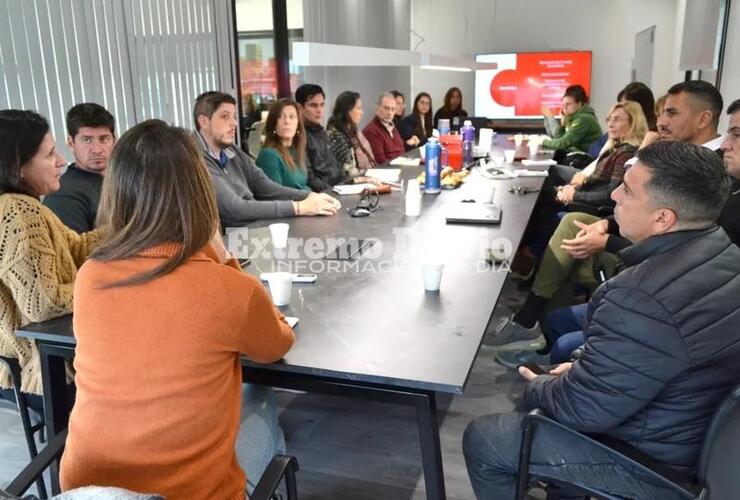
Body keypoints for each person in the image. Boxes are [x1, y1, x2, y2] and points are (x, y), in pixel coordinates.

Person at [464, 141, 740, 500]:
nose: (614, 196)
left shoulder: (641, 296)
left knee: (487, 439)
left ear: (663, 218)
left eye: (627, 190)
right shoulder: (726, 253)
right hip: (690, 430)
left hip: (653, 460)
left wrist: (540, 383)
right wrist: (581, 372)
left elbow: (584, 409)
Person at [59, 120, 296, 500]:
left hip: (88, 491)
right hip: (193, 493)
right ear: (199, 191)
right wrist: (224, 259)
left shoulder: (91, 277)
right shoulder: (230, 289)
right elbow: (276, 345)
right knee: (260, 395)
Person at [492, 81, 726, 361]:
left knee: (569, 229)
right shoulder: (673, 154)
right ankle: (538, 327)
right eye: (661, 113)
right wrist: (604, 224)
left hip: (653, 271)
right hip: (642, 251)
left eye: (671, 113)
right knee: (573, 230)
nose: (661, 122)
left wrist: (606, 237)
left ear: (704, 119)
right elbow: (632, 199)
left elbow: (659, 226)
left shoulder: (706, 172)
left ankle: (534, 319)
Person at [0, 110, 101, 411]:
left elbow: (78, 248)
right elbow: (43, 303)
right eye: (49, 155)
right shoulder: (19, 212)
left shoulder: (28, 206)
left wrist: (131, 228)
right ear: (18, 167)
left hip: (36, 359)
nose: (61, 161)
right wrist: (103, 284)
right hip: (39, 368)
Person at [193, 91, 340, 227]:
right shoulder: (195, 159)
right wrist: (299, 207)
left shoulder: (232, 150)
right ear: (204, 122)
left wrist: (310, 196)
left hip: (253, 229)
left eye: (234, 117)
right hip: (231, 241)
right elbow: (235, 208)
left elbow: (264, 186)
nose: (234, 124)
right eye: (225, 116)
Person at [555, 101, 647, 213]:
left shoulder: (626, 153)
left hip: (593, 209)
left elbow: (611, 195)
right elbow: (596, 184)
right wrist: (571, 189)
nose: (610, 124)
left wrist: (575, 195)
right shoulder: (616, 147)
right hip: (586, 199)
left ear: (633, 123)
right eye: (609, 119)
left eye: (617, 120)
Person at [43, 103, 116, 233]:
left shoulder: (124, 181)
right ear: (71, 143)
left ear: (114, 140)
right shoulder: (63, 195)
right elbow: (76, 252)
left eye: (104, 139)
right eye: (86, 140)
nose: (97, 150)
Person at [295, 84, 346, 192]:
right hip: (325, 193)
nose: (319, 110)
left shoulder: (321, 131)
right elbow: (310, 178)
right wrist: (332, 192)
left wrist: (348, 184)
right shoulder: (298, 136)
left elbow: (335, 166)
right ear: (299, 108)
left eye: (321, 105)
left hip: (338, 188)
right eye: (313, 105)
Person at [327, 91, 385, 182]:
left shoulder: (352, 130)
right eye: (358, 108)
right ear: (347, 111)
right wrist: (368, 177)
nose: (362, 112)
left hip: (362, 177)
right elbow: (346, 171)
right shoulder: (335, 134)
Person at [255, 98, 310, 191]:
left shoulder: (297, 150)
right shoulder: (269, 155)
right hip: (292, 204)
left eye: (292, 117)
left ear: (298, 124)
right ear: (273, 123)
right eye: (281, 116)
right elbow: (275, 196)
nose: (287, 122)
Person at [541, 85, 602, 154]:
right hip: (578, 155)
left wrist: (542, 141)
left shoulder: (583, 119)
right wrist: (562, 124)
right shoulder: (573, 117)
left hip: (586, 159)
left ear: (579, 104)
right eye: (563, 105)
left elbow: (563, 143)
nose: (564, 108)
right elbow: (558, 137)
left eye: (568, 104)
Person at [362, 92, 405, 164]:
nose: (390, 113)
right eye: (386, 108)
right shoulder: (371, 130)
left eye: (393, 109)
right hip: (386, 171)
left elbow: (402, 151)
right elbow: (380, 161)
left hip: (401, 167)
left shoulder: (392, 127)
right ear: (377, 108)